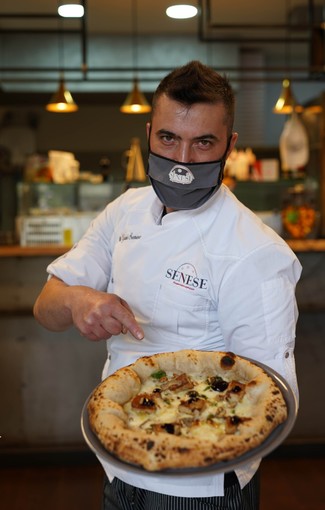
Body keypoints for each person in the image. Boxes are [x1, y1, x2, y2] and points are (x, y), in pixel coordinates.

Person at [34, 60, 302, 510]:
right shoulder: (125, 211)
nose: (181, 161)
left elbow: (267, 398)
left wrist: (192, 433)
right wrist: (78, 300)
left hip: (203, 485)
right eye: (168, 138)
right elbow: (46, 307)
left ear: (230, 146)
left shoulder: (256, 252)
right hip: (118, 458)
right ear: (148, 133)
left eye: (203, 143)